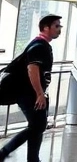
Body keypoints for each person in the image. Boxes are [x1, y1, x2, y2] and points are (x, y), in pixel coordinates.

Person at [0, 14, 62, 162]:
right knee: (38, 125)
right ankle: (4, 152)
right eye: (56, 26)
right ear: (46, 28)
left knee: (38, 125)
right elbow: (32, 69)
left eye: (60, 26)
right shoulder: (39, 46)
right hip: (28, 93)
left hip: (31, 92)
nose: (59, 29)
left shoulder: (41, 44)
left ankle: (33, 159)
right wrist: (39, 93)